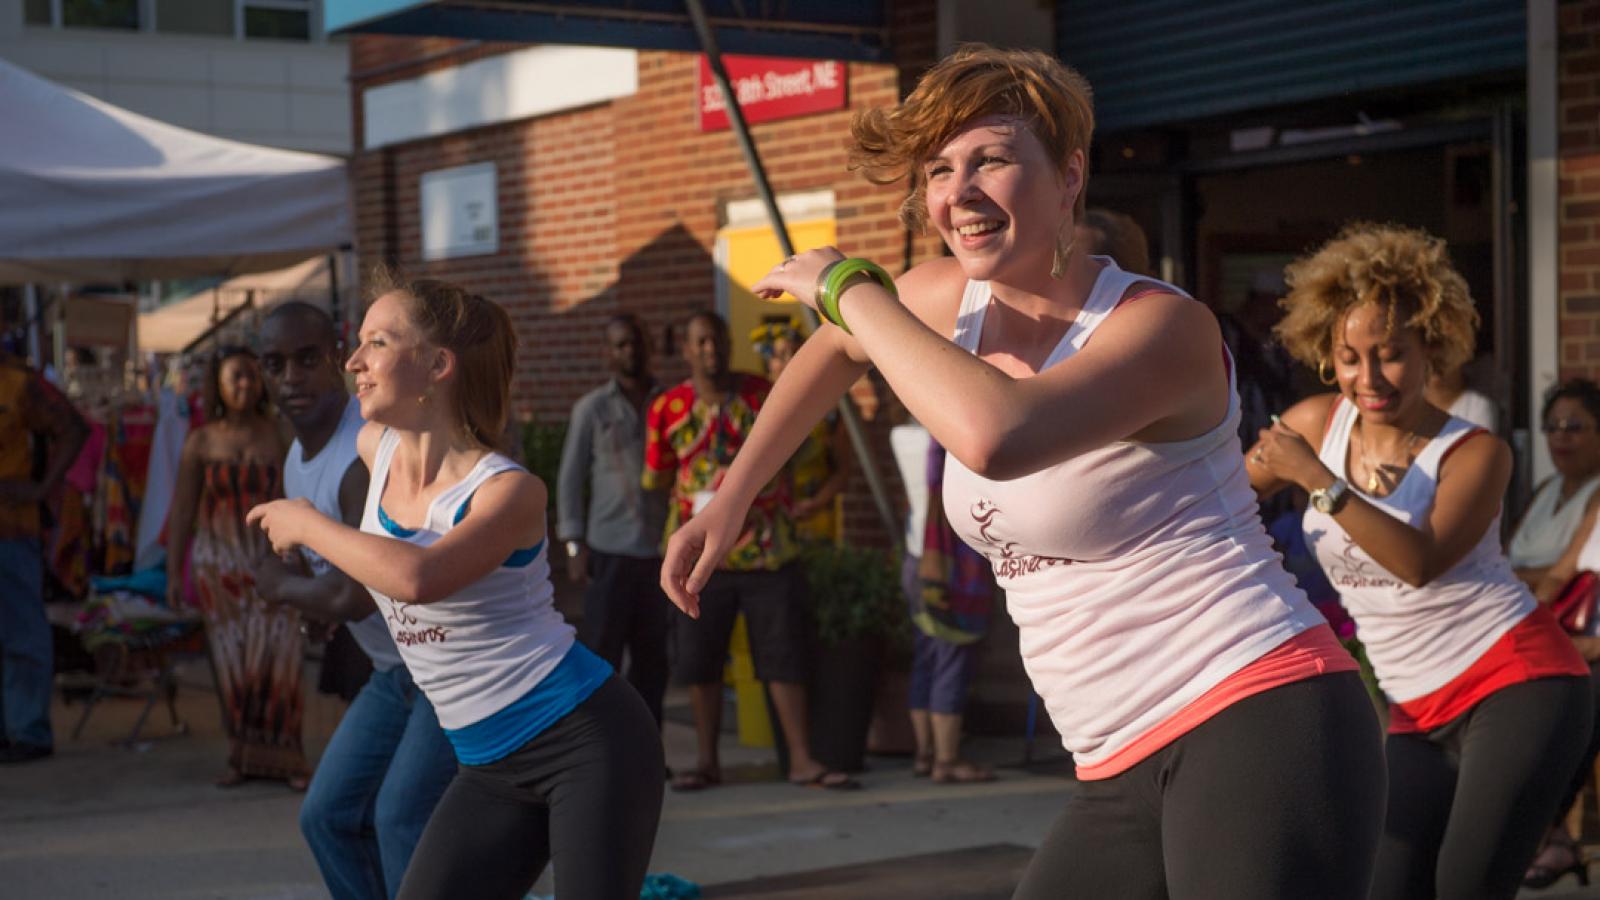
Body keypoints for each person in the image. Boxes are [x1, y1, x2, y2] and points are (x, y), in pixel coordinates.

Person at [660, 45, 1384, 898]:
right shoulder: (939, 300)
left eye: (990, 160)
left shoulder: (1164, 328)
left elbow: (995, 435)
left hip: (1255, 713)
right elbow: (833, 353)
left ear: (1070, 176)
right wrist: (731, 497)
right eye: (938, 170)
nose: (957, 192)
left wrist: (851, 284)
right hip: (1113, 760)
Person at [248, 274, 662, 900]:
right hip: (488, 767)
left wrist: (307, 524)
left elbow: (420, 578)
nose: (353, 362)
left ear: (438, 364)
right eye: (355, 345)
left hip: (586, 744)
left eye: (377, 343)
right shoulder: (371, 448)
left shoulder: (509, 491)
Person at [1249, 222, 1593, 900]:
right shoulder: (1318, 422)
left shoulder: (1477, 452)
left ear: (1432, 350)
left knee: (1466, 885)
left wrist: (1317, 479)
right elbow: (1221, 500)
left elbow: (1420, 560)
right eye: (1350, 357)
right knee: (1390, 887)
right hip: (1413, 702)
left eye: (1391, 355)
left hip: (1517, 683)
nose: (1368, 378)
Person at [252, 302, 456, 900]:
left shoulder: (360, 453)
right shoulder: (298, 456)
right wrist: (313, 607)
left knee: (399, 818)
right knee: (327, 816)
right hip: (394, 672)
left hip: (442, 671)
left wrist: (280, 588)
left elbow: (355, 594)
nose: (291, 377)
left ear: (338, 355)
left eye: (307, 358)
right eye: (274, 363)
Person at [645, 310, 855, 792]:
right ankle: (706, 761)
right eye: (700, 343)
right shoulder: (667, 407)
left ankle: (802, 760)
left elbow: (801, 450)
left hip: (767, 549)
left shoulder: (763, 395)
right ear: (686, 350)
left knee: (782, 656)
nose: (711, 351)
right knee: (700, 661)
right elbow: (655, 475)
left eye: (717, 340)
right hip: (700, 560)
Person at [165, 345, 308, 788]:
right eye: (234, 378)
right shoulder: (201, 440)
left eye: (250, 375)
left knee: (281, 657)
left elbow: (297, 498)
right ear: (218, 387)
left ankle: (288, 759)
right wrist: (174, 573)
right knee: (231, 663)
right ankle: (241, 757)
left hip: (274, 562)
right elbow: (183, 511)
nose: (244, 384)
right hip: (218, 567)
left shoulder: (281, 432)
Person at [1504, 378, 1600, 887]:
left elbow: (1559, 575)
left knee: (1574, 689)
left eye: (1575, 426)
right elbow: (1521, 568)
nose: (1561, 437)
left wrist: (1512, 584)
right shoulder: (1544, 491)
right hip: (1535, 624)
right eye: (1553, 427)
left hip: (1570, 635)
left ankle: (1545, 831)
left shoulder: (1597, 497)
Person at [556, 313, 671, 726]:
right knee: (602, 657)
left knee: (653, 661)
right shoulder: (592, 409)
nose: (631, 351)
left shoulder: (670, 403)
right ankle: (602, 748)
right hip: (609, 552)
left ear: (650, 347)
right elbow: (569, 480)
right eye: (621, 344)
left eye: (637, 342)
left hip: (660, 551)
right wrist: (573, 544)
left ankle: (650, 751)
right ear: (608, 353)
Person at [889, 423, 994, 783]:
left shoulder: (901, 435)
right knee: (952, 658)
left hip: (917, 556)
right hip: (951, 562)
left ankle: (925, 752)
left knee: (927, 657)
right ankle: (947, 759)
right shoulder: (952, 436)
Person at [0, 341, 89, 764]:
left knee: (21, 632)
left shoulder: (17, 384)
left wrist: (41, 488)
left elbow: (75, 428)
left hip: (12, 529)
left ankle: (28, 729)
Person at [750, 318, 852, 543]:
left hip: (813, 521)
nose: (788, 362)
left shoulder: (829, 408)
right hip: (766, 524)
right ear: (767, 361)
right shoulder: (753, 407)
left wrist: (815, 503)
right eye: (780, 355)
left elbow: (843, 472)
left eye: (795, 354)